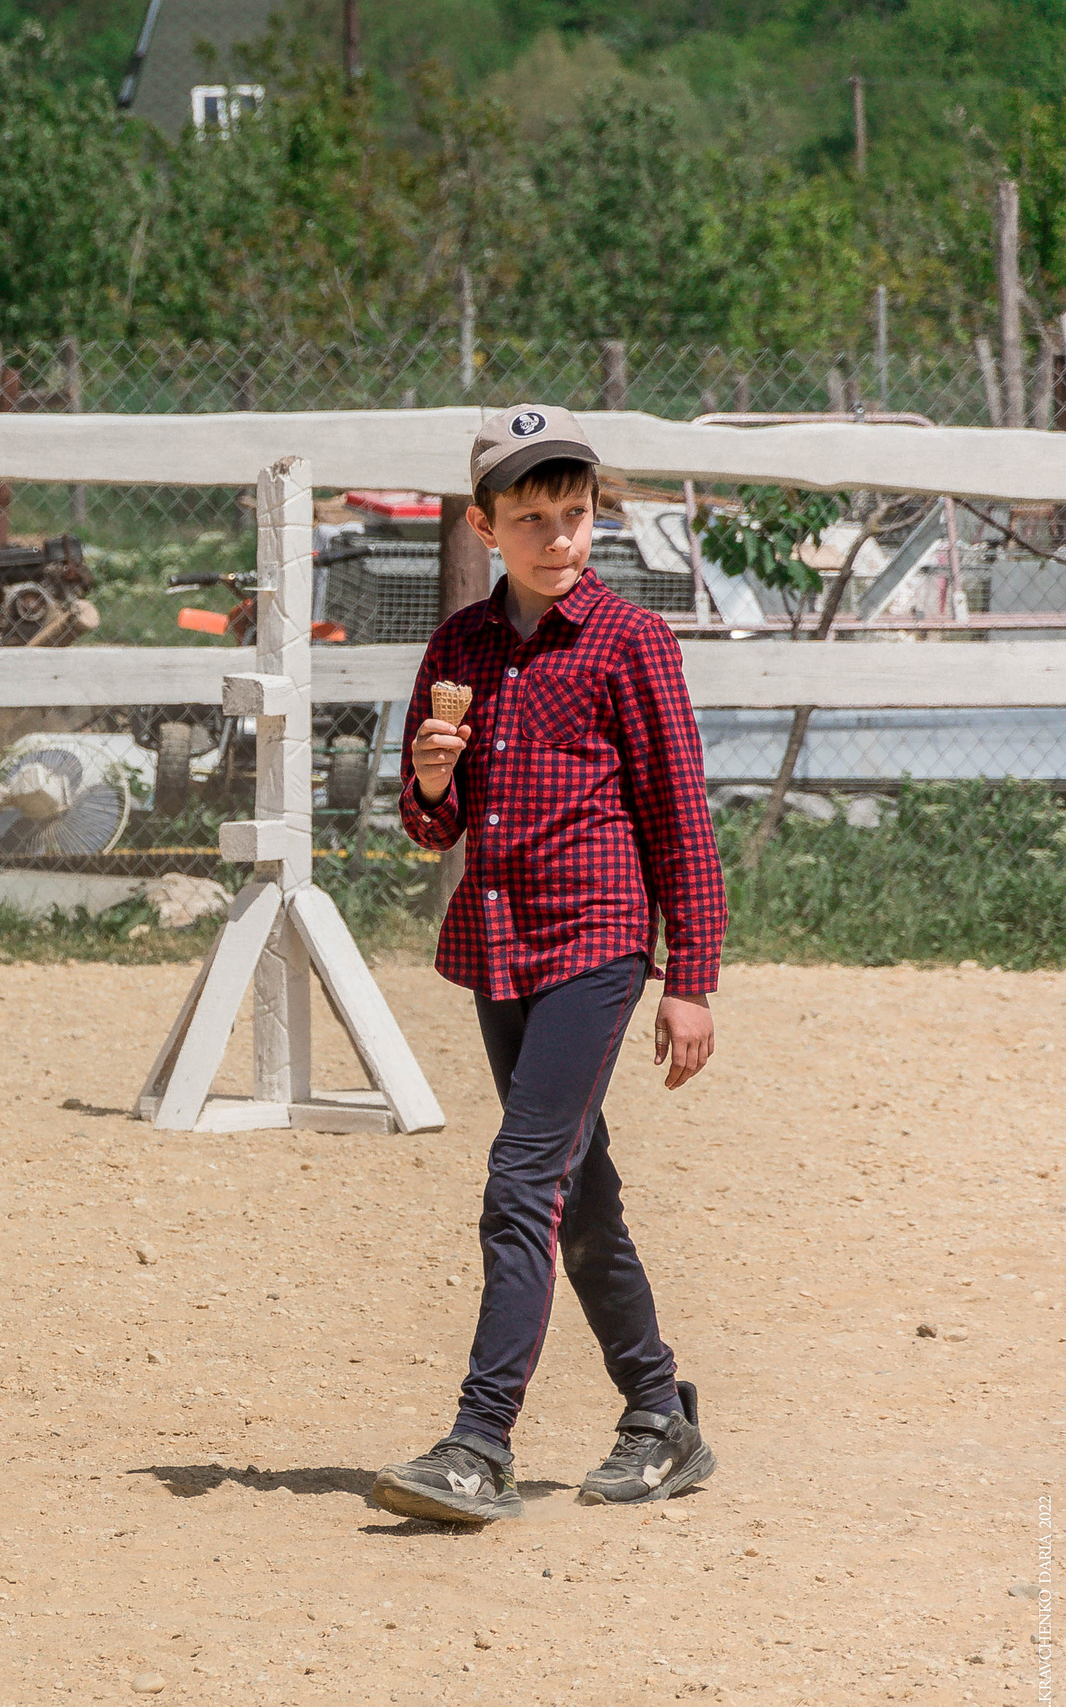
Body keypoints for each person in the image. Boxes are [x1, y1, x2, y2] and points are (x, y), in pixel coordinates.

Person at [370, 405, 724, 1526]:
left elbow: (678, 816)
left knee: (523, 1180)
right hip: (497, 946)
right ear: (484, 527)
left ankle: (480, 1444)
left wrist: (691, 975)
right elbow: (428, 830)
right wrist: (430, 781)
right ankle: (660, 1413)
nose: (559, 539)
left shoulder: (630, 642)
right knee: (578, 1198)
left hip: (598, 941)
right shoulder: (458, 650)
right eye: (533, 520)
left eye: (574, 517)